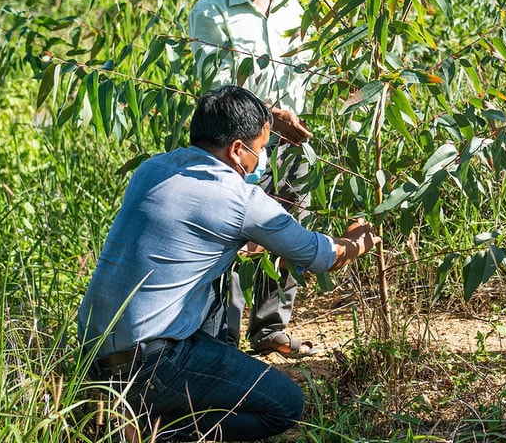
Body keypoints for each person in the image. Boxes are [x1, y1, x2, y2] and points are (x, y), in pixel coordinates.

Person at [78, 85, 379, 442]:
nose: (262, 159)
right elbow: (322, 256)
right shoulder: (240, 199)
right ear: (238, 149)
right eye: (262, 148)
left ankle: (139, 408)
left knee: (215, 290)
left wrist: (269, 118)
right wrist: (358, 239)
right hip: (150, 367)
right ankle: (150, 432)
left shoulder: (151, 170)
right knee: (284, 405)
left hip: (94, 355)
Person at [189, 0, 316, 357]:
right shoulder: (211, 12)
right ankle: (223, 337)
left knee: (287, 225)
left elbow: (308, 66)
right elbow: (219, 86)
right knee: (234, 235)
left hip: (293, 138)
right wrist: (269, 115)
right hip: (240, 145)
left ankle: (271, 326)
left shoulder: (295, 8)